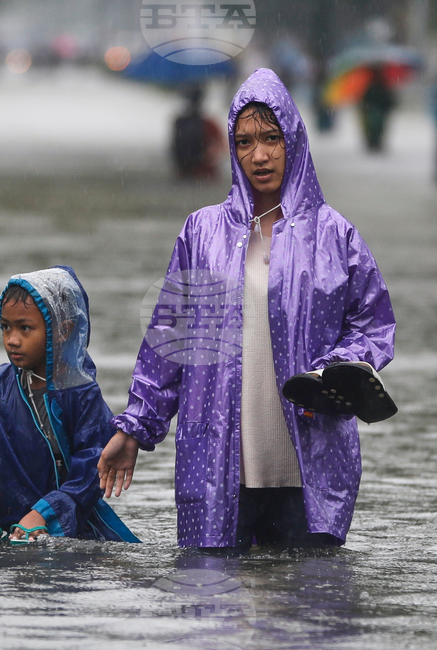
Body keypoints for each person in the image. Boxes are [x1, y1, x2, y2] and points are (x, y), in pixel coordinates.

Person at [98, 69, 396, 552]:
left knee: (309, 613)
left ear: (293, 139)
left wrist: (333, 371)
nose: (259, 155)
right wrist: (134, 427)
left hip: (310, 467)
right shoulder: (201, 232)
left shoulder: (335, 235)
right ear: (232, 150)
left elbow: (373, 324)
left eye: (271, 138)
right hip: (215, 465)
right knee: (213, 613)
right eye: (245, 141)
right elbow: (170, 342)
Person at [0, 266, 139, 545]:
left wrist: (44, 513)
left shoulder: (81, 393)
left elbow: (92, 467)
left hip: (63, 526)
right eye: (5, 327)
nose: (12, 339)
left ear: (63, 330)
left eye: (25, 328)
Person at [172, 84, 226, 180]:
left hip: (183, 173)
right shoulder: (209, 124)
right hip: (205, 174)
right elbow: (220, 149)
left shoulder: (179, 122)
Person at [359, 69, 397, 153]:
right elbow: (388, 99)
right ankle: (375, 143)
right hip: (379, 110)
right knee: (378, 128)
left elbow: (365, 100)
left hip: (373, 110)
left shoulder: (368, 84)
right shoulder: (383, 84)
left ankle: (373, 143)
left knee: (373, 128)